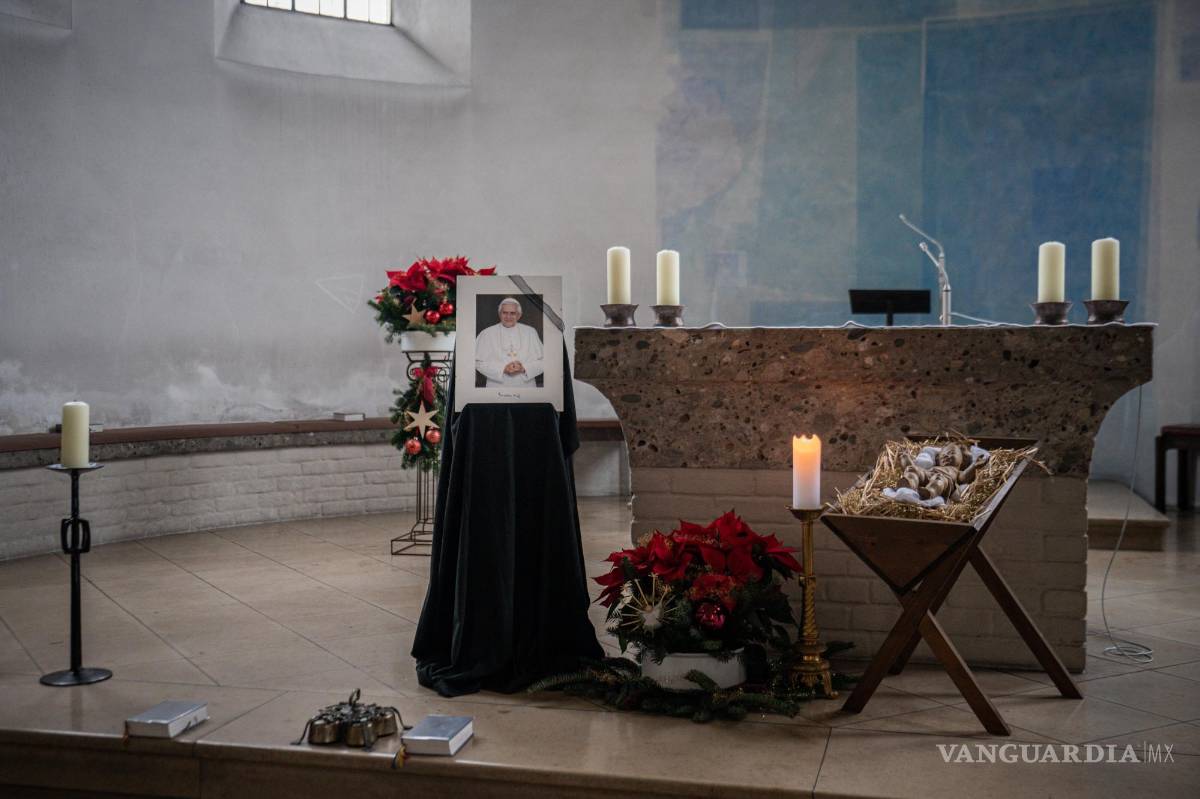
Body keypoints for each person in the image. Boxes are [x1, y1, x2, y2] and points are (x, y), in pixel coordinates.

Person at [474, 297, 544, 388]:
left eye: (512, 313)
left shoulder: (530, 332)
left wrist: (524, 368)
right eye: (505, 313)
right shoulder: (486, 333)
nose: (508, 317)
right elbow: (478, 363)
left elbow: (544, 362)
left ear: (519, 315)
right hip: (496, 386)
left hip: (526, 387)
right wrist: (502, 369)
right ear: (499, 314)